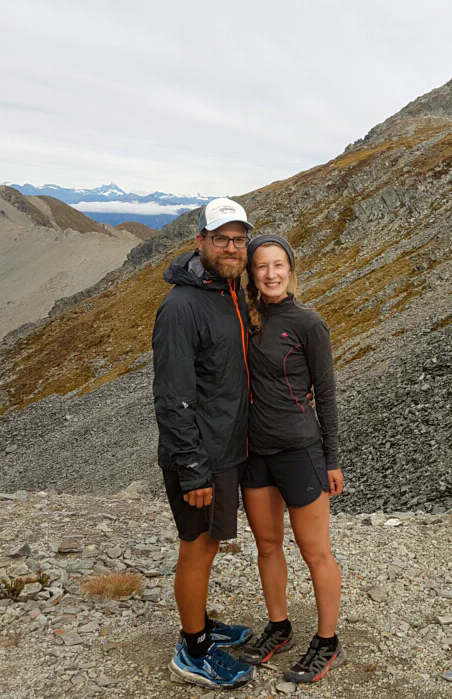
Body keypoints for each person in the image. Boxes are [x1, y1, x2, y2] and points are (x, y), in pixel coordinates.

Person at [152, 197, 257, 690]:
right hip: (199, 456)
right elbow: (173, 395)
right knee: (197, 547)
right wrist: (192, 469)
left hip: (223, 449)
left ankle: (201, 626)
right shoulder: (182, 305)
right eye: (222, 239)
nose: (232, 247)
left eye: (239, 239)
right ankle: (191, 651)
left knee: (209, 544)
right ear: (201, 243)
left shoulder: (227, 293)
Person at [237, 234, 346, 684]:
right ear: (251, 274)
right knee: (267, 546)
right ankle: (279, 627)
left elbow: (327, 393)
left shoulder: (308, 323)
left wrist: (332, 457)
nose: (271, 274)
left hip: (301, 450)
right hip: (253, 452)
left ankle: (327, 642)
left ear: (291, 269)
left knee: (315, 552)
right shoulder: (244, 319)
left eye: (279, 264)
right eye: (262, 266)